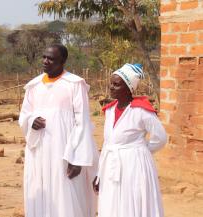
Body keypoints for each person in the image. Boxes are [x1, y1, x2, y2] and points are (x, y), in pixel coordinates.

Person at [19, 44, 99, 217]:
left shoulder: (75, 84)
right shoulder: (34, 86)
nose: (45, 61)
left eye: (51, 59)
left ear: (62, 61)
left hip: (65, 151)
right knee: (40, 188)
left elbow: (82, 121)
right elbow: (24, 115)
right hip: (39, 151)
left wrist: (78, 159)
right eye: (44, 57)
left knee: (66, 191)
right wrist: (31, 121)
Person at [95, 63, 167, 217]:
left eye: (116, 84)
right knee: (112, 201)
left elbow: (160, 138)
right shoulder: (109, 110)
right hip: (110, 164)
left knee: (131, 201)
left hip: (134, 165)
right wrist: (99, 174)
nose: (111, 87)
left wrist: (141, 150)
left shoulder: (141, 111)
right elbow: (107, 144)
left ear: (129, 88)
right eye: (111, 84)